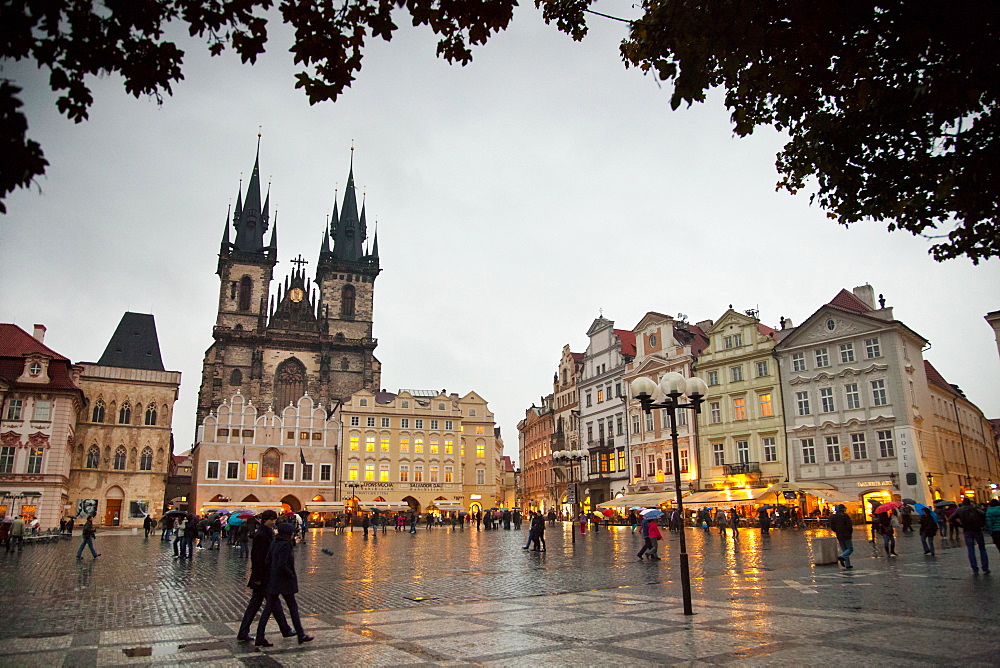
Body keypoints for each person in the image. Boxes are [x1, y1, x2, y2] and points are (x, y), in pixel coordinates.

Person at [238, 511, 293, 643]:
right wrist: (257, 577)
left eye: (274, 520)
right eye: (271, 520)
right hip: (263, 576)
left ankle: (243, 632)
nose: (273, 522)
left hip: (265, 575)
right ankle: (284, 630)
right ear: (264, 520)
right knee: (271, 603)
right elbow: (256, 558)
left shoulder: (267, 533)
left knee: (261, 604)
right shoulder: (261, 535)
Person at [255, 523, 314, 647]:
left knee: (267, 610)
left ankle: (260, 636)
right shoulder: (285, 545)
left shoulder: (275, 542)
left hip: (273, 580)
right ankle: (301, 634)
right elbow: (282, 564)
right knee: (293, 608)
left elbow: (268, 560)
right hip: (285, 581)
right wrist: (291, 574)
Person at [951, 498, 989, 574]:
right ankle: (985, 568)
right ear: (969, 503)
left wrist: (960, 524)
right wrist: (982, 524)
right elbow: (984, 514)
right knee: (982, 549)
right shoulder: (974, 508)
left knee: (971, 550)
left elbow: (951, 518)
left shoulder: (960, 510)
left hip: (967, 530)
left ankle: (975, 569)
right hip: (977, 529)